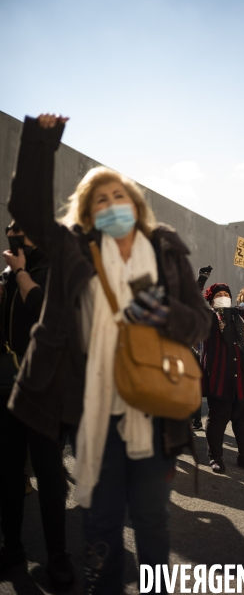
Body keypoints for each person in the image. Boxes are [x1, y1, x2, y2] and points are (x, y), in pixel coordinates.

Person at [7, 114, 211, 595]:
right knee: (100, 523)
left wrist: (165, 313)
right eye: (100, 199)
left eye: (119, 195)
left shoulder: (166, 253)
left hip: (154, 406)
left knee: (153, 521)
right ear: (87, 212)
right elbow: (26, 208)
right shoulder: (72, 249)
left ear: (134, 204)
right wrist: (39, 140)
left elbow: (199, 322)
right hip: (90, 410)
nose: (112, 204)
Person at [0, 222, 73, 587]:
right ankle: (11, 547)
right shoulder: (9, 274)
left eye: (18, 227)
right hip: (9, 390)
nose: (11, 231)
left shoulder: (51, 271)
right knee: (10, 473)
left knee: (48, 474)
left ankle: (58, 557)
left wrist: (22, 274)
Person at [199, 265, 244, 473]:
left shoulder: (240, 314)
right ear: (211, 300)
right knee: (217, 420)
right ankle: (215, 457)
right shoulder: (207, 317)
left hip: (242, 380)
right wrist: (201, 280)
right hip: (219, 378)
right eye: (218, 294)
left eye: (226, 293)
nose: (223, 297)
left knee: (242, 420)